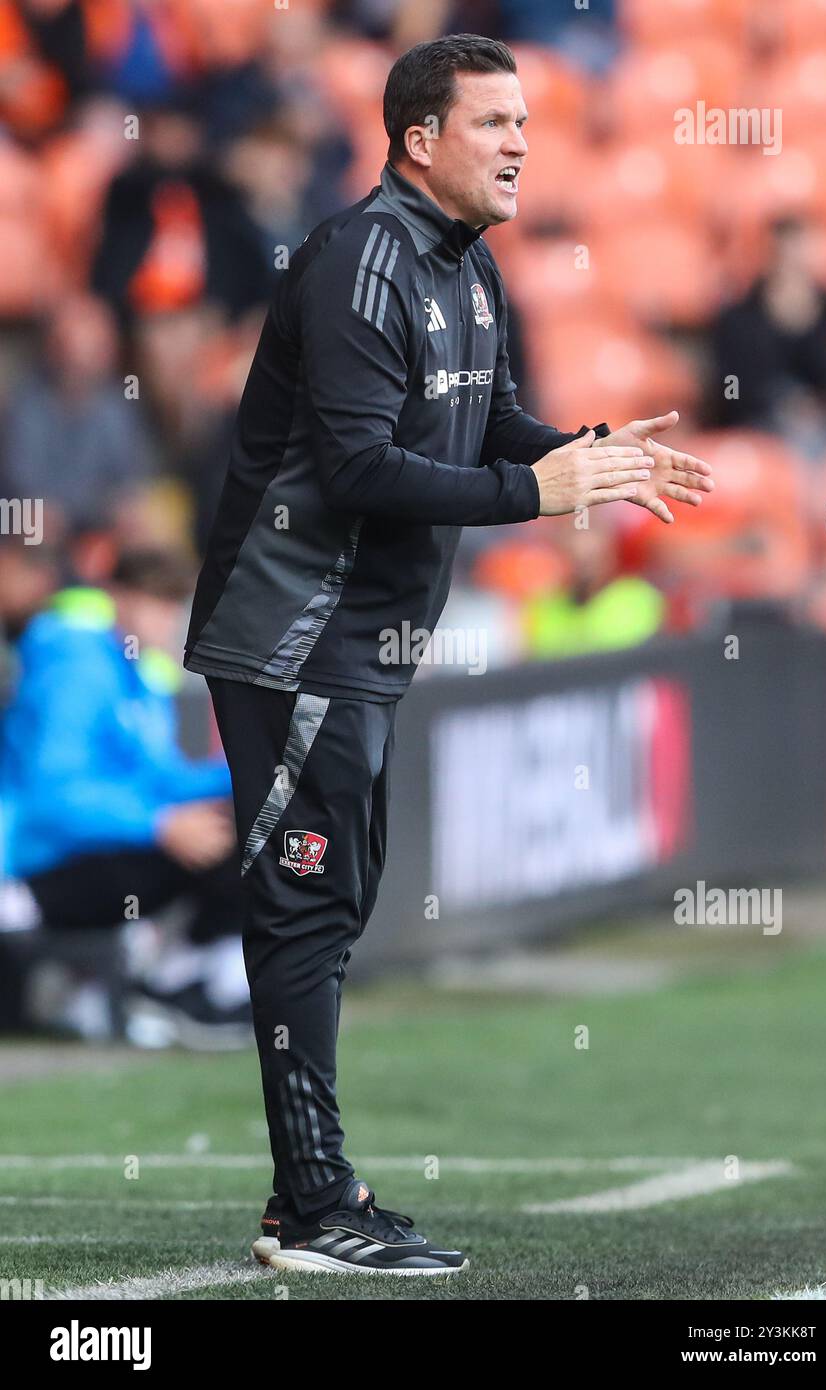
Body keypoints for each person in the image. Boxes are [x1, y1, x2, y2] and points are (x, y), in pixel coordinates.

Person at [185, 33, 714, 1277]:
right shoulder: (358, 261)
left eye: (525, 121)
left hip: (362, 641)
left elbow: (487, 425)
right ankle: (315, 1205)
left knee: (333, 902)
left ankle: (301, 1197)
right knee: (306, 907)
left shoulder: (467, 272)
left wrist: (592, 452)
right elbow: (365, 464)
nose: (522, 141)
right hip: (293, 630)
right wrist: (538, 494)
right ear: (419, 139)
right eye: (493, 123)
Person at [0, 547, 250, 1044]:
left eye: (175, 606)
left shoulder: (137, 675)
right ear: (117, 597)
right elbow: (55, 794)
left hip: (101, 849)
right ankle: (175, 985)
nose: (168, 621)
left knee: (255, 816)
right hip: (37, 865)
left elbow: (158, 778)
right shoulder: (75, 666)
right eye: (156, 604)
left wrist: (252, 771)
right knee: (230, 836)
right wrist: (158, 825)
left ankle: (184, 983)